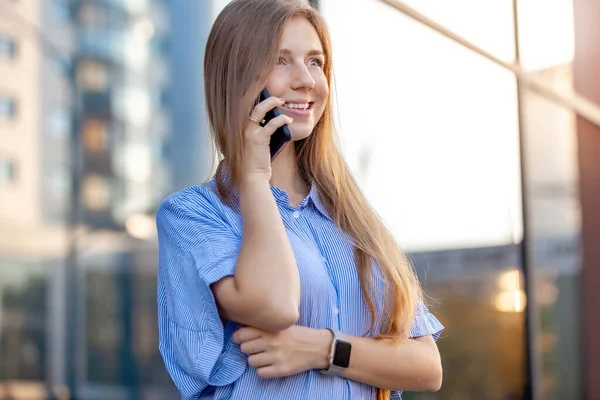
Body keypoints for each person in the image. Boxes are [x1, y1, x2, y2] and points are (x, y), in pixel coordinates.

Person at [156, 0, 444, 399]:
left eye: (315, 62)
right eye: (281, 60)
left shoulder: (353, 217)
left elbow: (427, 367)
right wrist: (255, 178)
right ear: (237, 78)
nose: (306, 80)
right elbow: (276, 307)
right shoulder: (193, 215)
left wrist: (322, 349)